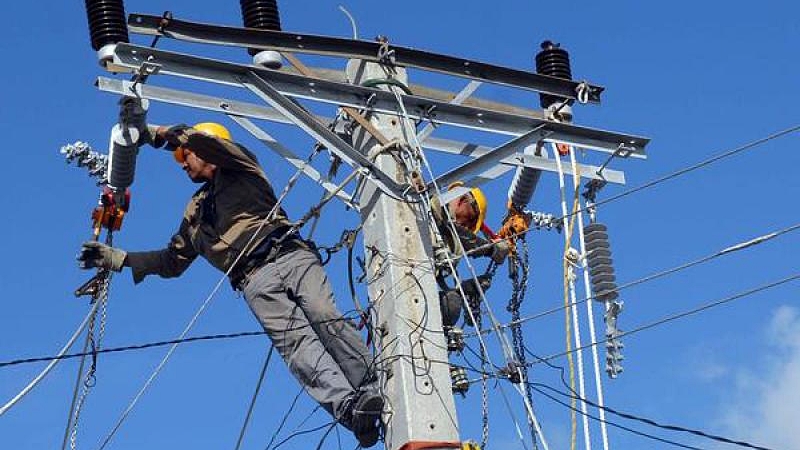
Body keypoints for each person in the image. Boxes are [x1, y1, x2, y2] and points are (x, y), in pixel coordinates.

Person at [77, 122, 384, 447]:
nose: (181, 163)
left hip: (289, 256)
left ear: (204, 147)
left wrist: (156, 134)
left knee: (324, 315)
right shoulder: (195, 211)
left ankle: (369, 388)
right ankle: (352, 411)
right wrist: (120, 259)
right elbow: (172, 261)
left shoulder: (241, 166)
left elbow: (203, 144)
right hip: (254, 282)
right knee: (298, 347)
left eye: (184, 155)